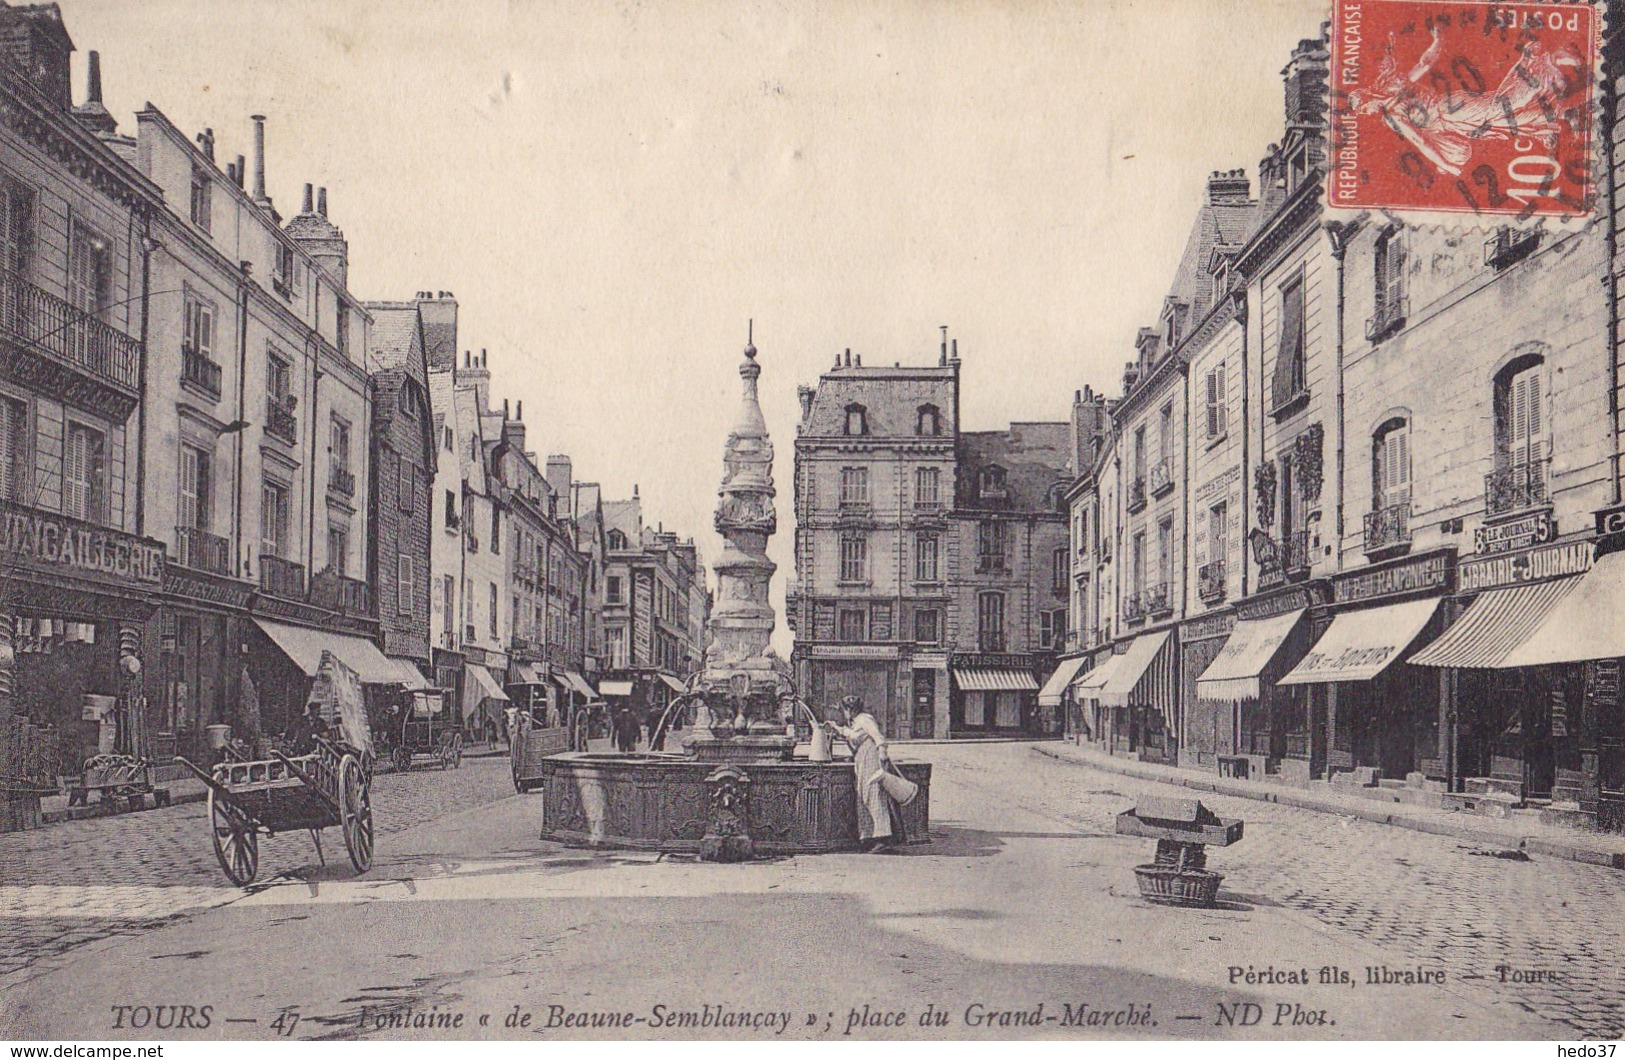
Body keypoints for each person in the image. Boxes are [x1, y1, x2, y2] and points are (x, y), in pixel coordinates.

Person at [825, 695, 910, 852]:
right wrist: (839, 730)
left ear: (850, 709)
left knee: (874, 796)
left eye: (844, 710)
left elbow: (877, 736)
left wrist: (882, 752)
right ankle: (869, 836)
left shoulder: (865, 719)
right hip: (863, 758)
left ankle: (883, 838)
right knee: (864, 796)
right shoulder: (857, 722)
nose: (844, 713)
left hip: (871, 758)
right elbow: (854, 736)